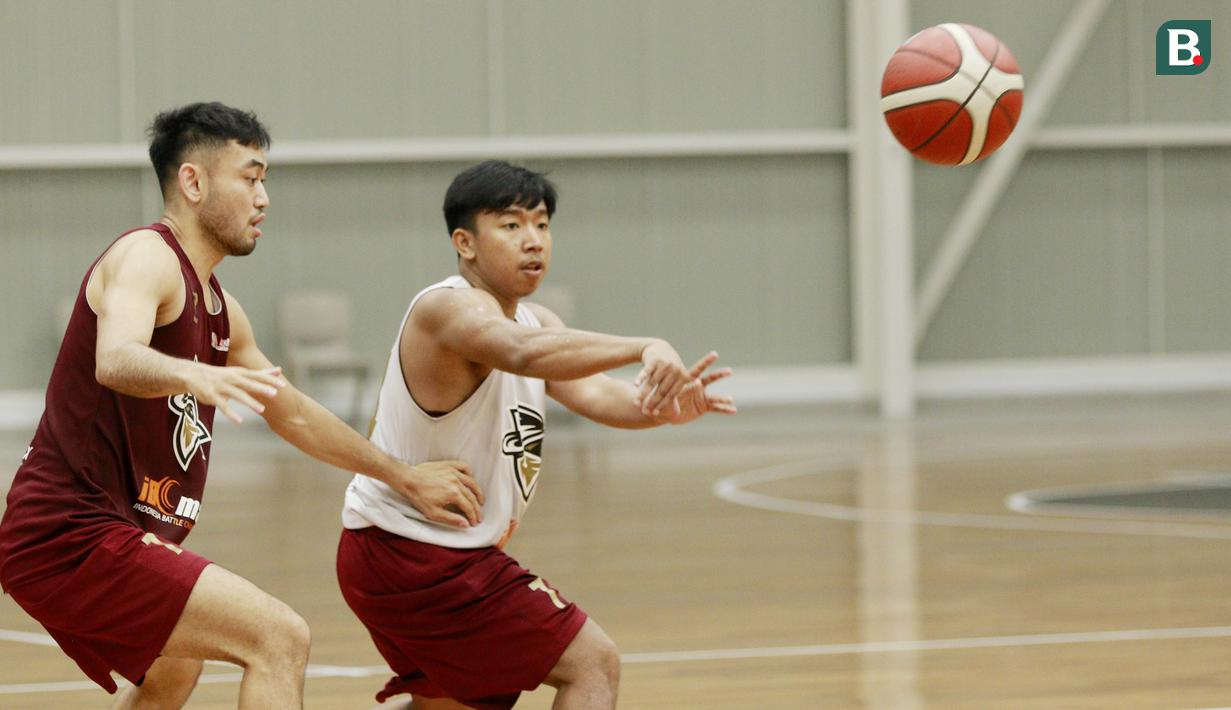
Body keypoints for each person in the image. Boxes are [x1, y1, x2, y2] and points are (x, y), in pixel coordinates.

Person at [0, 102, 484, 709]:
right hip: (68, 531)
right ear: (194, 183)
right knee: (278, 638)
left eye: (265, 179)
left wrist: (403, 476)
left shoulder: (223, 309)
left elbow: (294, 413)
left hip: (108, 530)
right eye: (250, 177)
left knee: (177, 669)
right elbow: (115, 358)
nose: (264, 197)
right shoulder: (146, 256)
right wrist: (194, 376)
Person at [337, 160, 737, 710]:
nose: (534, 241)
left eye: (543, 225)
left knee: (455, 704)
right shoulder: (446, 307)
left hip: (404, 552)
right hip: (417, 553)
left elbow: (596, 394)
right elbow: (522, 355)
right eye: (511, 225)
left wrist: (661, 410)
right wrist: (645, 344)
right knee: (593, 664)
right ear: (465, 242)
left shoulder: (536, 320)